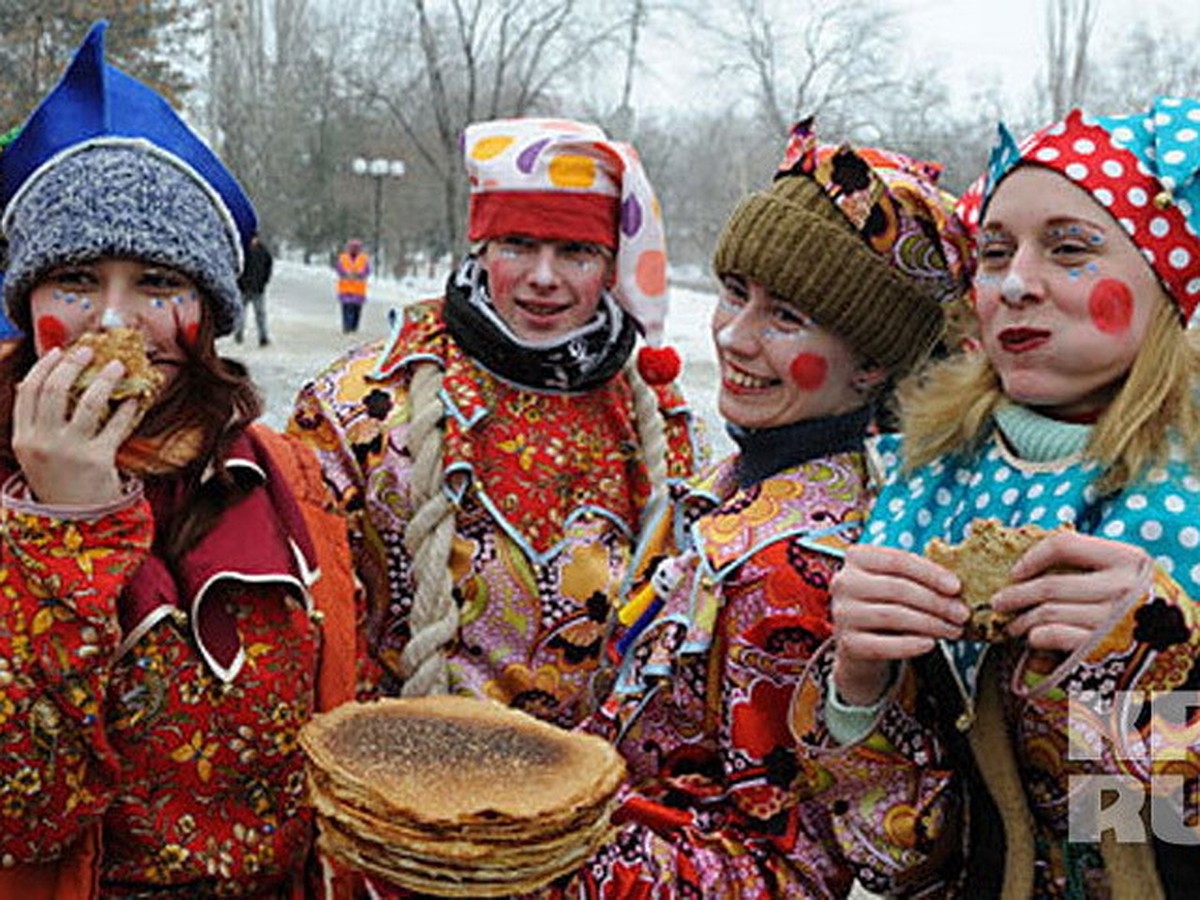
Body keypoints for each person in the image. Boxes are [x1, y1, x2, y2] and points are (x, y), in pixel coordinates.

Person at [506, 119, 969, 898]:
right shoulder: (731, 483)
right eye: (734, 294)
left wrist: (545, 866)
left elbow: (802, 865)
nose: (735, 337)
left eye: (786, 317)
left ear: (873, 365)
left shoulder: (806, 564)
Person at [791, 98, 1200, 898]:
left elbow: (1145, 824)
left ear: (1165, 279)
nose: (1015, 284)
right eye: (993, 252)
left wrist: (1163, 661)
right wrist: (858, 685)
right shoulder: (922, 485)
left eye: (1070, 248)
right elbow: (900, 855)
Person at [0, 23, 360, 897]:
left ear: (209, 308)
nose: (116, 324)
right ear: (26, 302)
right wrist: (65, 528)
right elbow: (28, 815)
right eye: (76, 282)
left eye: (159, 285)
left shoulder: (288, 479)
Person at [289, 117, 700, 724]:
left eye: (576, 251)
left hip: (590, 800)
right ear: (480, 248)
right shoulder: (356, 405)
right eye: (517, 245)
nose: (543, 277)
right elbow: (305, 620)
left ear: (612, 265)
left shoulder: (655, 420)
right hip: (401, 784)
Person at [235, 232, 274, 346]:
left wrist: (264, 281)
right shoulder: (244, 252)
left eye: (255, 238)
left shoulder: (263, 251)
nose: (254, 241)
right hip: (244, 288)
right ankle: (239, 334)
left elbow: (268, 267)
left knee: (260, 314)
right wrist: (240, 282)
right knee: (241, 314)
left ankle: (263, 337)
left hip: (258, 289)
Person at [335, 238, 370, 333]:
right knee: (346, 309)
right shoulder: (343, 258)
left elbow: (367, 271)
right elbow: (339, 269)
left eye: (356, 247)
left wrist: (359, 274)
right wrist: (346, 273)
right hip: (345, 289)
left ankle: (354, 327)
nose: (354, 249)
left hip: (358, 290)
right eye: (352, 247)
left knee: (356, 310)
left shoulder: (364, 259)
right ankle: (347, 327)